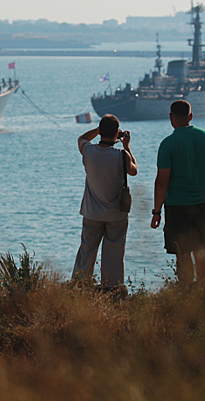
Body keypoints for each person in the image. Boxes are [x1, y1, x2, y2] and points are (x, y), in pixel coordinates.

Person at [151, 100, 205, 283]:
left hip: (176, 206)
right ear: (191, 116)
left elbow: (162, 183)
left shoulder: (168, 144)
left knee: (182, 255)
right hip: (204, 204)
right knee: (202, 252)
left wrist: (156, 212)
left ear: (171, 118)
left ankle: (187, 296)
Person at [71, 114, 138, 290]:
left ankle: (79, 286)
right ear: (117, 133)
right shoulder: (122, 156)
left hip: (92, 213)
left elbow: (82, 138)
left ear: (101, 131)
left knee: (87, 252)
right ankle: (112, 288)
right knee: (113, 254)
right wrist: (127, 146)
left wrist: (99, 130)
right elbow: (134, 171)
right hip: (116, 214)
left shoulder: (89, 151)